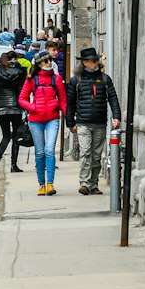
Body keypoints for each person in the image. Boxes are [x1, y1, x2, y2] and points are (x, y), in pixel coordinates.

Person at [66, 47, 121, 196]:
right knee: (85, 152)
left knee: (96, 155)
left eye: (96, 60)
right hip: (83, 122)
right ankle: (84, 182)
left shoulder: (104, 79)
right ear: (84, 63)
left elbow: (113, 98)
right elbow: (70, 103)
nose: (96, 62)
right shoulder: (76, 80)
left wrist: (117, 116)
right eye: (92, 60)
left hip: (100, 122)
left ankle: (93, 183)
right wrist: (70, 122)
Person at [19, 51, 67, 196]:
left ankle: (50, 184)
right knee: (39, 152)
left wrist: (67, 116)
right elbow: (22, 99)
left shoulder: (56, 79)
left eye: (50, 60)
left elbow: (63, 100)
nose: (49, 63)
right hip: (35, 120)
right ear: (39, 64)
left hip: (52, 118)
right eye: (46, 61)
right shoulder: (32, 79)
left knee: (49, 150)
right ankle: (41, 184)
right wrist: (33, 107)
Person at [0, 51, 25, 174]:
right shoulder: (19, 72)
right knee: (16, 136)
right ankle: (13, 164)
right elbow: (21, 90)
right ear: (13, 59)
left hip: (1, 106)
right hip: (15, 107)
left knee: (5, 136)